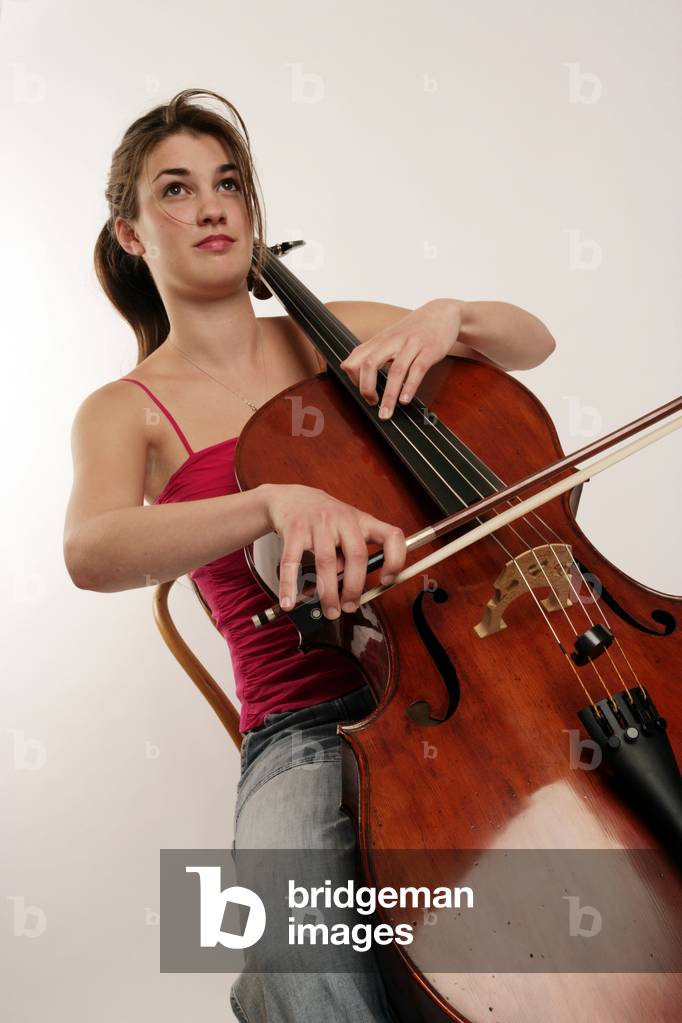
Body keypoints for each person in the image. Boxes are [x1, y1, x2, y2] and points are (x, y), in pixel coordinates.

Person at [62, 88, 556, 1022]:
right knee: (288, 949)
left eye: (229, 183)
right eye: (176, 189)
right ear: (131, 232)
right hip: (307, 725)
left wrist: (450, 316)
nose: (211, 205)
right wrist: (267, 499)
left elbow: (534, 341)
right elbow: (91, 550)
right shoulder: (124, 409)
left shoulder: (334, 333)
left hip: (484, 674)